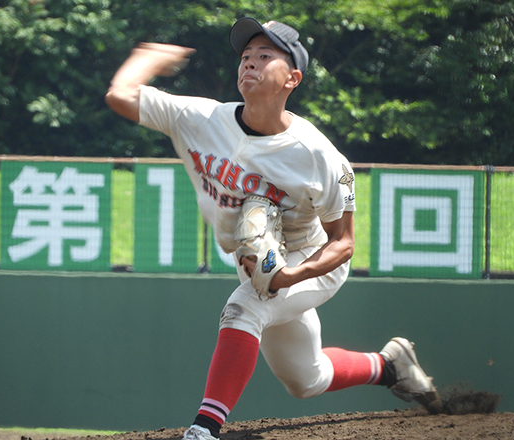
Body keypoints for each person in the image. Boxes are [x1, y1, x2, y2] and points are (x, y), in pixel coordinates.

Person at [106, 17, 441, 440]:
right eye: (246, 56)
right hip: (257, 261)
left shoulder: (318, 155)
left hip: (310, 260)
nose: (251, 62)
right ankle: (391, 365)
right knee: (306, 379)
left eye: (266, 56)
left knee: (243, 309)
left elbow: (344, 242)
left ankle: (205, 429)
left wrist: (290, 276)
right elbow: (121, 96)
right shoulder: (202, 119)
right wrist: (146, 57)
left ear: (292, 79)